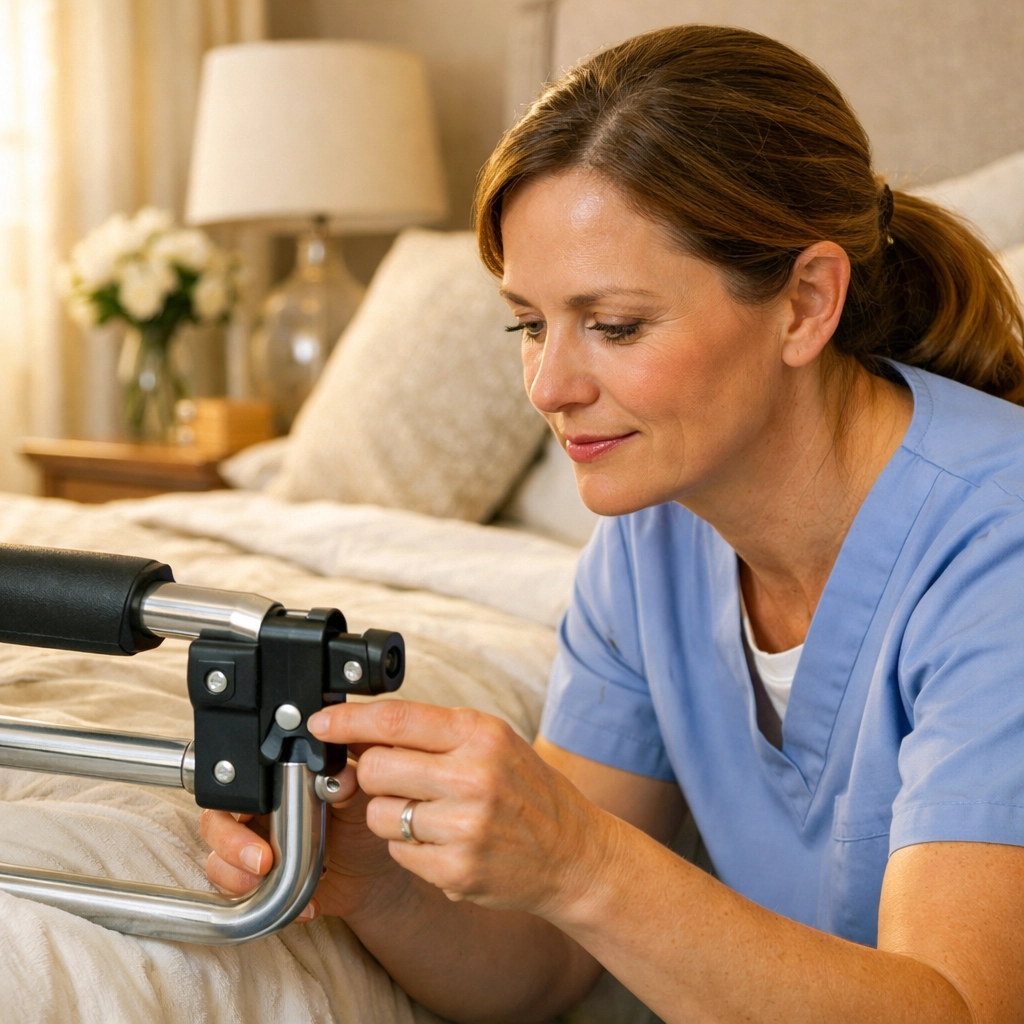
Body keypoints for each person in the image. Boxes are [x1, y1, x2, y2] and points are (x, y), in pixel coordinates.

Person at [202, 25, 1024, 1023]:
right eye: (528, 324)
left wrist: (583, 857)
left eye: (615, 326)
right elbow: (544, 961)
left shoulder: (999, 545)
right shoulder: (653, 535)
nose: (549, 386)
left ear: (806, 303)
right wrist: (373, 880)